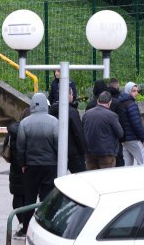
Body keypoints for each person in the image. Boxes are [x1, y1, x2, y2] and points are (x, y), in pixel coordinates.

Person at [16, 93, 58, 237]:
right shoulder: (54, 122)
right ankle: (46, 227)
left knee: (29, 198)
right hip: (50, 164)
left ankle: (26, 227)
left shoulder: (24, 123)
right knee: (47, 198)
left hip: (31, 166)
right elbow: (58, 144)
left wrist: (23, 163)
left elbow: (20, 147)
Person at [5, 109, 29, 241]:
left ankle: (21, 223)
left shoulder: (12, 132)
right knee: (27, 197)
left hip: (15, 169)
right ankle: (25, 224)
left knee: (17, 196)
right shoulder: (28, 131)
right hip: (26, 168)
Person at [83, 91, 124, 169]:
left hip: (90, 153)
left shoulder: (86, 114)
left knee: (92, 178)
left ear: (98, 101)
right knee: (106, 178)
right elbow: (120, 133)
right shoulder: (112, 115)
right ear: (109, 103)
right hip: (107, 153)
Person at [117, 82, 144, 166]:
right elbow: (136, 123)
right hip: (134, 138)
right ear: (128, 91)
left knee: (127, 165)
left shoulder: (120, 103)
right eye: (134, 91)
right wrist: (143, 138)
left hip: (124, 139)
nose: (136, 93)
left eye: (137, 91)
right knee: (143, 163)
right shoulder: (132, 104)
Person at [66, 88, 87, 173]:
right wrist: (83, 151)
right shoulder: (72, 112)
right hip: (74, 153)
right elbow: (78, 133)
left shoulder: (53, 110)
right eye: (71, 94)